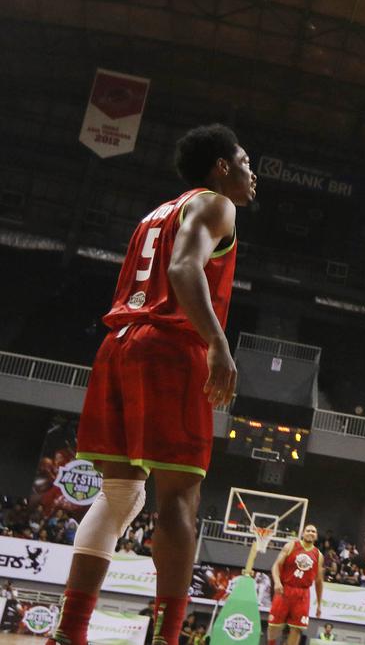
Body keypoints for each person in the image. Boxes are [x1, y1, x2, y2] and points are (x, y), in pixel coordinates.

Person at [48, 124, 255, 645]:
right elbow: (185, 269)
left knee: (119, 496)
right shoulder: (215, 204)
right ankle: (166, 638)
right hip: (169, 349)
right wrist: (217, 343)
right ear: (221, 167)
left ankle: (68, 633)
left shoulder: (155, 214)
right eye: (246, 163)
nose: (253, 174)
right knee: (180, 498)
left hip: (119, 345)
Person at [269, 525, 324, 645]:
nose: (311, 533)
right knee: (274, 625)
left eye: (313, 531)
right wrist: (277, 582)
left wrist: (319, 604)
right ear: (303, 533)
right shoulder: (291, 546)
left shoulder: (318, 555)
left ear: (316, 536)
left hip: (303, 594)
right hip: (285, 589)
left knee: (297, 628)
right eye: (308, 530)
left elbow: (319, 581)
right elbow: (276, 565)